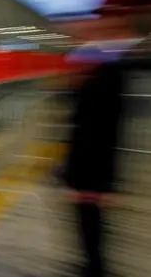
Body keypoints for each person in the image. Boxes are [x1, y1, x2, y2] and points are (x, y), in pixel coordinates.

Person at [59, 14, 140, 277]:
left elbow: (108, 129)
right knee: (87, 225)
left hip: (91, 167)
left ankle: (94, 269)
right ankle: (90, 266)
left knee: (91, 225)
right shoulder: (95, 71)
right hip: (84, 164)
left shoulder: (110, 74)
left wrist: (103, 182)